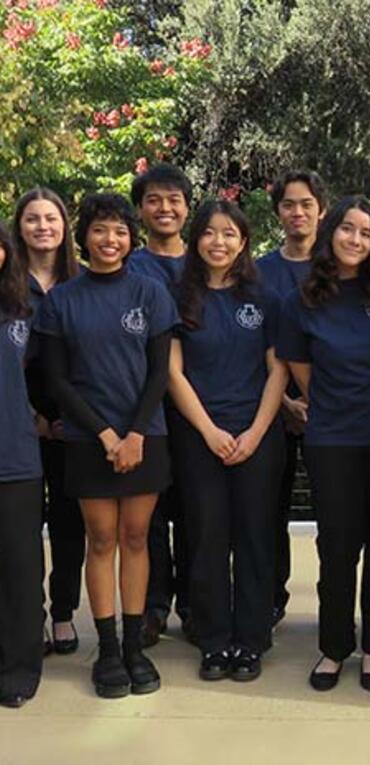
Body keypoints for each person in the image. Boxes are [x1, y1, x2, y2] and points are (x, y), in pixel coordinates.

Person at [35, 193, 179, 699]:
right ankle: (110, 651)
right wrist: (106, 435)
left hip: (146, 436)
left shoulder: (151, 293)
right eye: (100, 230)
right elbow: (57, 380)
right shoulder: (61, 301)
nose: (110, 240)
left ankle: (137, 647)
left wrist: (135, 432)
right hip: (87, 439)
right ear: (85, 237)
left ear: (130, 238)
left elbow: (160, 372)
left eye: (119, 230)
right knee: (101, 540)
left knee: (137, 537)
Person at [278, 196, 370, 693]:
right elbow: (304, 374)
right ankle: (334, 648)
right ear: (329, 233)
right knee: (337, 549)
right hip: (333, 439)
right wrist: (340, 407)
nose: (355, 239)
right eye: (346, 230)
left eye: (365, 231)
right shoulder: (303, 299)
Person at [168, 200, 288, 681]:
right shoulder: (178, 298)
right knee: (206, 536)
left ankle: (251, 639)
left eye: (230, 234)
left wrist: (256, 432)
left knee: (255, 536)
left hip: (258, 433)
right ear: (197, 239)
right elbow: (173, 373)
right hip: (200, 435)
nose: (219, 242)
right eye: (210, 233)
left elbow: (278, 369)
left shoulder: (264, 299)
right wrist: (210, 431)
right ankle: (214, 639)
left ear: (243, 243)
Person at [13, 188, 84, 655]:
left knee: (68, 523)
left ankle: (62, 613)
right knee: (21, 529)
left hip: (76, 424)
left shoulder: (83, 283)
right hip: (19, 425)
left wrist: (71, 419)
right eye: (33, 219)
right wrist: (34, 418)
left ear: (65, 227)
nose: (43, 227)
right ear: (19, 227)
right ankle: (29, 614)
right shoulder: (8, 285)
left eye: (52, 218)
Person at [257, 170, 327, 627]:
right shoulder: (260, 271)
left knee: (335, 517)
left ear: (321, 208)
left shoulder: (341, 264)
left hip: (333, 413)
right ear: (278, 211)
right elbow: (255, 342)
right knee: (268, 512)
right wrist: (284, 402)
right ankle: (269, 597)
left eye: (305, 204)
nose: (297, 213)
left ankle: (335, 604)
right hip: (272, 411)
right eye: (288, 204)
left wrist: (319, 401)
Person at [128, 162, 193, 646]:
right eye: (154, 200)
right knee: (148, 517)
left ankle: (195, 603)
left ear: (187, 207)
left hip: (198, 409)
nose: (164, 208)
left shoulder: (209, 259)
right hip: (144, 410)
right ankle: (153, 606)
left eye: (173, 199)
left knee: (195, 512)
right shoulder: (128, 266)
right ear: (140, 210)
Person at [0, 222, 44, 708]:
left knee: (19, 566)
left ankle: (19, 668)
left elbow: (47, 372)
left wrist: (43, 416)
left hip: (14, 456)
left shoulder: (22, 311)